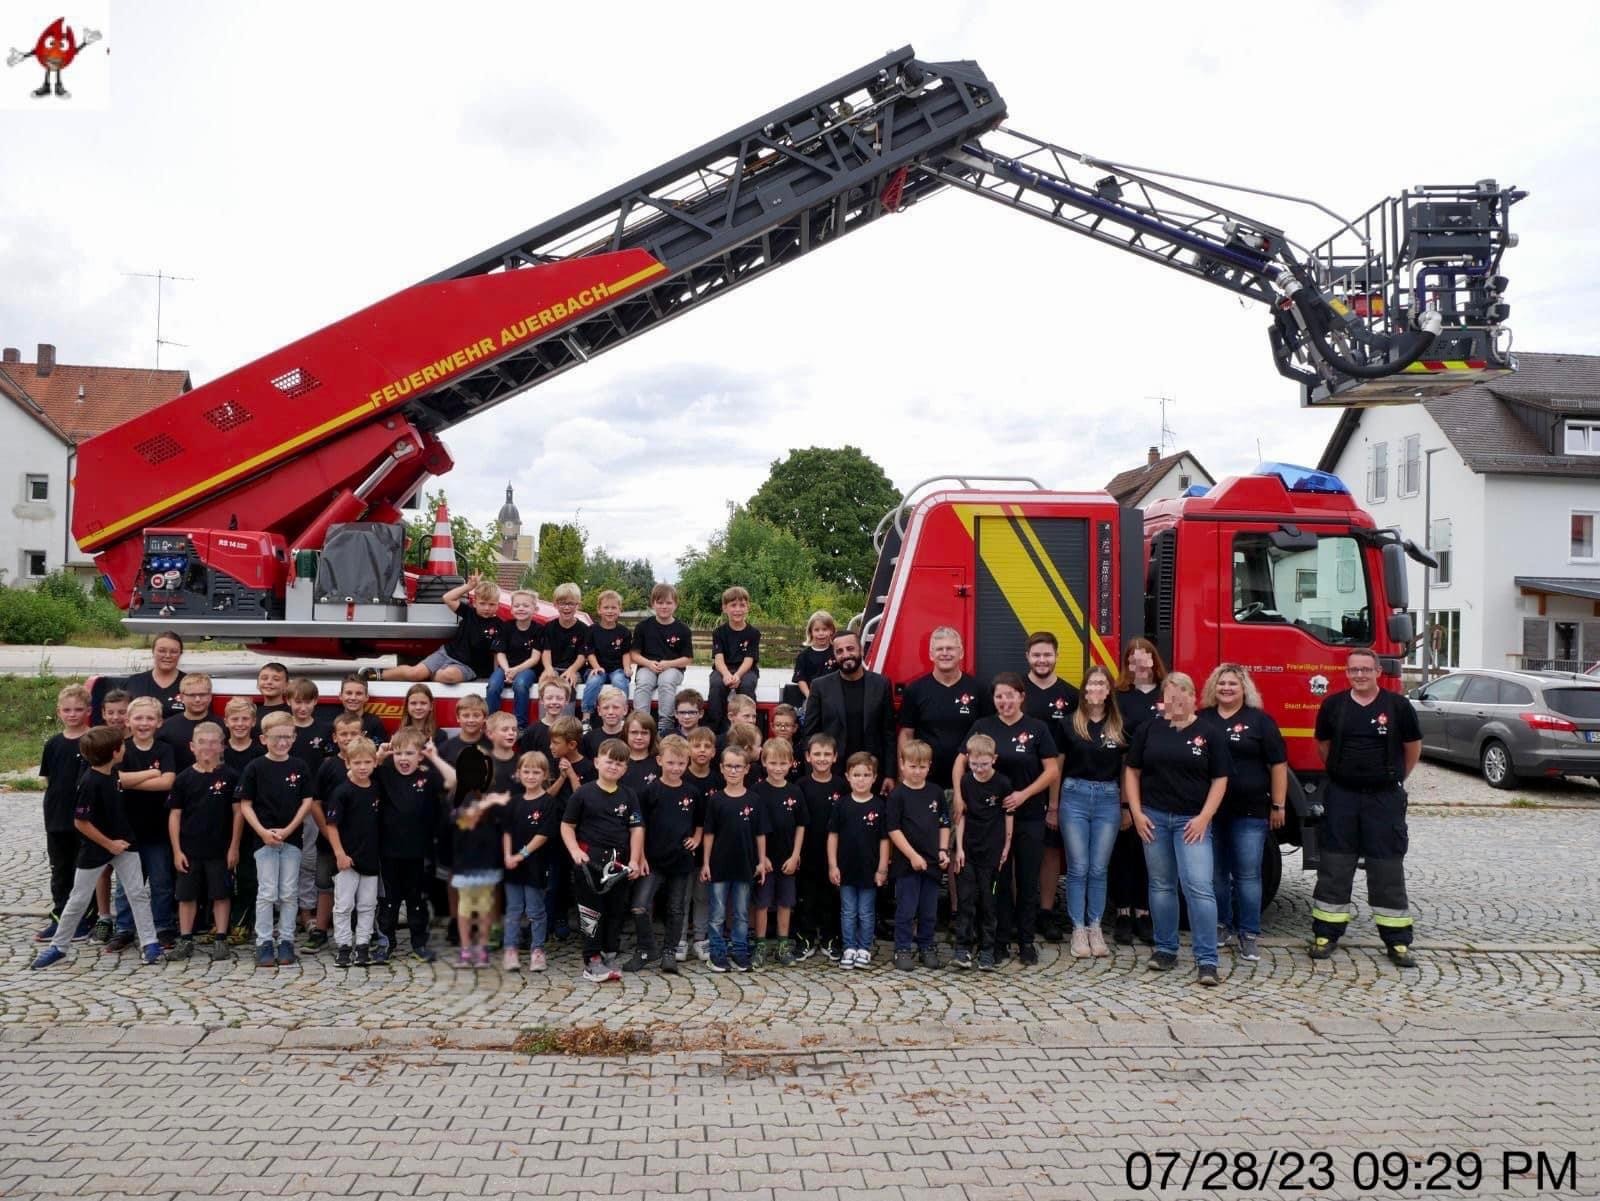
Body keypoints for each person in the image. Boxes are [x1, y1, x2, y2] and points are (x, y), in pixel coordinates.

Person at [1310, 648, 1423, 968]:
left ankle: (1397, 942)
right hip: (1342, 796)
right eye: (1353, 670)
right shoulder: (1333, 705)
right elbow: (1324, 746)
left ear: (1377, 672)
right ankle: (1326, 934)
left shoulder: (1398, 706)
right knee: (1334, 867)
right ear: (1346, 674)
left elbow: (1412, 748)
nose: (1359, 675)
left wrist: (1395, 779)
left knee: (1386, 868)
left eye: (1365, 669)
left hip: (1383, 798)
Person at [1125, 672, 1230, 985]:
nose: (1176, 701)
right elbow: (1132, 772)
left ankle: (1207, 959)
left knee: (1199, 887)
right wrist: (1136, 811)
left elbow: (1220, 779)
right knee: (1160, 886)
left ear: (1193, 696)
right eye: (1170, 696)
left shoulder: (1209, 732)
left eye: (1182, 694)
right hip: (1154, 819)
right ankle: (1166, 949)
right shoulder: (1149, 729)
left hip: (1191, 823)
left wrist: (1204, 818)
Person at [31, 727, 163, 970]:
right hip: (97, 849)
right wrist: (109, 844)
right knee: (78, 898)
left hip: (126, 844)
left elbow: (126, 779)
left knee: (138, 894)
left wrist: (151, 772)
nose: (125, 748)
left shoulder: (111, 773)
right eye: (122, 746)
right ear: (115, 752)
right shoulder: (90, 782)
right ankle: (59, 946)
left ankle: (149, 942)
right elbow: (81, 822)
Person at [951, 673, 1059, 967]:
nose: (1005, 701)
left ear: (1022, 696)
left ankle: (1025, 940)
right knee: (997, 882)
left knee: (1026, 880)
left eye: (1011, 695)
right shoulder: (982, 726)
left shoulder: (1037, 728)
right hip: (992, 824)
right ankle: (999, 941)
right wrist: (960, 795)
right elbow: (960, 760)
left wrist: (1024, 795)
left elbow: (1051, 771)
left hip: (1029, 816)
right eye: (999, 696)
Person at [1200, 663, 1287, 963]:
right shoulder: (1202, 719)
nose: (1226, 688)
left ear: (1244, 688)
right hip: (1210, 813)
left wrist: (1278, 805)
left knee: (1248, 876)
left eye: (1232, 684)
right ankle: (1221, 926)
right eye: (1221, 683)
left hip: (1250, 811)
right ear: (1213, 687)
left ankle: (1249, 934)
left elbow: (1278, 765)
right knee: (1216, 875)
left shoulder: (1260, 721)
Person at [561, 738, 645, 983]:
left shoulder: (629, 795)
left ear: (625, 768)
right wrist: (575, 851)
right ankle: (592, 960)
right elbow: (567, 826)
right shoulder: (583, 794)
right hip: (589, 863)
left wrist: (636, 860)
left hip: (619, 865)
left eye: (620, 763)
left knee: (615, 910)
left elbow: (637, 829)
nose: (613, 767)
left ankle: (609, 952)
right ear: (597, 762)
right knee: (591, 911)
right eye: (609, 761)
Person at [1057, 665, 1126, 959]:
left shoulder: (1119, 726)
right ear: (1084, 690)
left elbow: (1126, 770)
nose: (1096, 689)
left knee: (1099, 868)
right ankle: (1078, 929)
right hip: (1074, 797)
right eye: (1091, 684)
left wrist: (1125, 806)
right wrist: (1052, 804)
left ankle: (1095, 926)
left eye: (1101, 684)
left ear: (1109, 690)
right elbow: (1057, 767)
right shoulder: (1070, 724)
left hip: (1108, 799)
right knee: (1078, 867)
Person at [236, 712, 315, 968]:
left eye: (287, 737)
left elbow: (307, 801)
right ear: (263, 738)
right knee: (267, 891)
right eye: (276, 737)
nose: (282, 742)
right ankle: (264, 941)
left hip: (291, 839)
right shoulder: (255, 767)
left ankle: (287, 940)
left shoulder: (300, 766)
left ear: (294, 737)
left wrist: (290, 828)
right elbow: (245, 805)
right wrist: (262, 832)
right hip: (263, 840)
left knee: (289, 892)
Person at [375, 728, 456, 964]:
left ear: (420, 756)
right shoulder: (385, 774)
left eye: (409, 753)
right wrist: (380, 757)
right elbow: (360, 773)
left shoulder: (427, 777)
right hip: (389, 851)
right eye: (398, 753)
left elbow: (453, 780)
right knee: (388, 901)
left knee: (417, 900)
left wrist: (434, 757)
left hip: (420, 852)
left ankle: (419, 943)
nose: (403, 759)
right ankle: (385, 943)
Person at [166, 722, 241, 962]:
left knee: (221, 894)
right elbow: (175, 815)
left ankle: (221, 938)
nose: (207, 747)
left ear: (222, 746)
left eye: (213, 742)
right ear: (192, 746)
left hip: (220, 848)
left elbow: (238, 813)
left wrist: (234, 846)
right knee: (186, 895)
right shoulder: (183, 779)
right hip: (189, 849)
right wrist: (177, 850)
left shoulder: (231, 776)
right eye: (202, 742)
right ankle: (186, 939)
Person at [108, 697, 178, 951]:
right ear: (128, 721)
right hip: (127, 830)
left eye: (150, 718)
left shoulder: (164, 750)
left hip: (158, 829)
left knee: (160, 883)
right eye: (138, 718)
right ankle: (125, 927)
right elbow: (117, 780)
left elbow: (169, 781)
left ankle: (163, 926)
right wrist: (151, 773)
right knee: (127, 884)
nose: (144, 723)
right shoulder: (121, 748)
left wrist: (133, 781)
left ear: (159, 722)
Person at [629, 734, 701, 974]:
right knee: (640, 906)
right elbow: (639, 826)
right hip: (652, 860)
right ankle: (646, 948)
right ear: (660, 760)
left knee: (676, 908)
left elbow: (701, 822)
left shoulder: (692, 792)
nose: (676, 768)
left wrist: (697, 838)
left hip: (681, 860)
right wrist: (640, 857)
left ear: (687, 763)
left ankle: (669, 951)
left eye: (681, 764)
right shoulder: (650, 792)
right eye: (671, 763)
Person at [1023, 632, 1077, 942]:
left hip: (1058, 785)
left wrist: (1055, 801)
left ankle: (1045, 911)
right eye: (1036, 655)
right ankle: (1021, 909)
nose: (1042, 660)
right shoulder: (1018, 691)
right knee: (1017, 848)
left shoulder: (1070, 695)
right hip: (1021, 784)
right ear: (1027, 657)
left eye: (1047, 655)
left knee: (1050, 849)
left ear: (1056, 656)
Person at [1111, 638, 1165, 946]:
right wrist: (1123, 803)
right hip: (1125, 779)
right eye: (1133, 659)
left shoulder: (1166, 693)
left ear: (1154, 661)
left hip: (1158, 784)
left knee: (1150, 852)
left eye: (1145, 657)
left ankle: (1145, 914)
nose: (1139, 663)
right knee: (1124, 853)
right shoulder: (1120, 696)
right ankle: (1122, 912)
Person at [799, 630, 897, 793]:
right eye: (839, 651)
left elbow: (889, 734)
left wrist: (889, 774)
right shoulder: (820, 686)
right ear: (834, 656)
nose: (846, 654)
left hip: (870, 775)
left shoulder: (881, 684)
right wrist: (813, 775)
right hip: (832, 774)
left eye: (850, 648)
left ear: (861, 650)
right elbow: (810, 735)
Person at [699, 745, 768, 972]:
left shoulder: (755, 800)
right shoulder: (716, 800)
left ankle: (740, 951)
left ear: (747, 769)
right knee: (717, 913)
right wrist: (706, 863)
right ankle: (717, 953)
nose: (733, 771)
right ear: (721, 768)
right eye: (729, 766)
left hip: (745, 865)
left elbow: (760, 834)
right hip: (719, 865)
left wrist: (761, 860)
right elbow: (709, 834)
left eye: (738, 766)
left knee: (740, 913)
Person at [897, 626, 988, 796]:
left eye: (950, 648)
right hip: (925, 781)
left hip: (970, 780)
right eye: (940, 649)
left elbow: (987, 734)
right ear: (931, 654)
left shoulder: (979, 689)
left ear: (961, 653)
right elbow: (906, 734)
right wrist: (904, 774)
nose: (945, 653)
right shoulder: (915, 690)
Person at [886, 739, 950, 971]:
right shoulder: (898, 795)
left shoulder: (936, 792)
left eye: (922, 767)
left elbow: (944, 823)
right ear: (902, 765)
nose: (917, 771)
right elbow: (893, 829)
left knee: (929, 909)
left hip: (932, 861)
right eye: (912, 766)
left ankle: (926, 945)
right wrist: (912, 855)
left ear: (929, 767)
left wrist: (943, 850)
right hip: (907, 863)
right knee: (906, 908)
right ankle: (902, 948)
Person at [950, 733, 1012, 970]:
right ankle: (963, 947)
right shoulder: (966, 782)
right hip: (970, 851)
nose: (980, 769)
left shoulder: (1003, 783)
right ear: (968, 759)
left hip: (992, 851)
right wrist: (960, 848)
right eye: (975, 764)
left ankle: (987, 949)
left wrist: (1006, 846)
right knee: (966, 901)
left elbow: (1008, 816)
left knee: (989, 901)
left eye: (984, 764)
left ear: (994, 759)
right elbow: (961, 817)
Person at [37, 683, 92, 945]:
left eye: (78, 710)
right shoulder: (53, 744)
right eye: (67, 710)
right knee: (60, 870)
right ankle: (59, 917)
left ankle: (84, 918)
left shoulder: (93, 741)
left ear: (88, 711)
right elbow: (49, 779)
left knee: (83, 870)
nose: (72, 714)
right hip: (57, 818)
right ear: (59, 712)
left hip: (85, 819)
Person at [321, 737, 383, 968]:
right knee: (344, 905)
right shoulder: (342, 792)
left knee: (367, 904)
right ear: (348, 763)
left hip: (370, 857)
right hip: (348, 859)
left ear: (375, 763)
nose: (363, 767)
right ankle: (344, 946)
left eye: (368, 762)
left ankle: (363, 944)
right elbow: (332, 825)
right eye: (357, 762)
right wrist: (339, 854)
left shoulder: (376, 788)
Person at [378, 574, 503, 685]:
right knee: (414, 673)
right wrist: (469, 587)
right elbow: (447, 598)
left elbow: (498, 653)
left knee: (448, 676)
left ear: (498, 604)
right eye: (482, 603)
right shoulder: (469, 612)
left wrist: (496, 677)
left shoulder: (500, 626)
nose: (487, 608)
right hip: (446, 653)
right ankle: (377, 674)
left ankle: (427, 675)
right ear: (475, 603)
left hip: (468, 666)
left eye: (491, 604)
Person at [828, 751, 888, 969]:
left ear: (874, 778)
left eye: (866, 775)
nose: (861, 779)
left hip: (869, 869)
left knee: (866, 911)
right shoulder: (841, 805)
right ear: (848, 777)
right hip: (846, 868)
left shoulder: (880, 806)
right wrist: (833, 865)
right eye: (857, 775)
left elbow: (884, 840)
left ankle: (864, 948)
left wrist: (882, 868)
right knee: (848, 910)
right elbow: (833, 836)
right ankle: (849, 947)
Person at [501, 751, 559, 972]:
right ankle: (511, 950)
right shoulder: (514, 802)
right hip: (512, 866)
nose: (531, 776)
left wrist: (521, 854)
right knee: (513, 909)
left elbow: (543, 834)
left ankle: (537, 950)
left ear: (545, 775)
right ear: (519, 773)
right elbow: (506, 831)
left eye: (536, 772)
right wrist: (508, 855)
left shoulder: (547, 803)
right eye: (526, 771)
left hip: (536, 865)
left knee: (535, 910)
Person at [750, 737, 805, 966]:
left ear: (791, 764)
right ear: (764, 762)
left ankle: (783, 945)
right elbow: (752, 827)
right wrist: (762, 857)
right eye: (773, 763)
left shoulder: (795, 791)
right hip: (765, 860)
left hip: (787, 859)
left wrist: (795, 855)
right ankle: (760, 945)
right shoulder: (757, 791)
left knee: (785, 902)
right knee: (762, 903)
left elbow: (802, 825)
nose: (778, 768)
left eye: (783, 763)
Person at [449, 780, 510, 969]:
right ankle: (466, 949)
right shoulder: (458, 796)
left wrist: (493, 802)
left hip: (487, 864)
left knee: (485, 908)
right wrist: (487, 803)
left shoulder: (494, 794)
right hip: (464, 865)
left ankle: (482, 948)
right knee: (464, 909)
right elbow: (464, 819)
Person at [795, 733, 844, 961]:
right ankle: (804, 938)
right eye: (817, 754)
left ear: (835, 757)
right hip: (807, 851)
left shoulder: (842, 786)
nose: (822, 759)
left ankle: (830, 938)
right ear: (807, 757)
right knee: (806, 896)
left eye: (827, 754)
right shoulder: (801, 786)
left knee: (830, 897)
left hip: (834, 853)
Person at [631, 583, 694, 733]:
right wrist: (648, 663)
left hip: (673, 668)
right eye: (660, 603)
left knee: (665, 682)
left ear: (675, 604)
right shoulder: (643, 627)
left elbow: (687, 658)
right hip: (647, 666)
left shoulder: (683, 629)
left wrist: (668, 664)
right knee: (644, 682)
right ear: (653, 604)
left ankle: (665, 726)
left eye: (668, 603)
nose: (664, 606)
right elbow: (634, 654)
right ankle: (641, 723)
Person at [486, 589, 542, 727]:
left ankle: (520, 725)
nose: (521, 608)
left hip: (527, 668)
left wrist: (515, 671)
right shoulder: (506, 627)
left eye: (525, 605)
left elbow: (535, 658)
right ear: (511, 609)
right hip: (506, 666)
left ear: (535, 609)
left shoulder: (539, 630)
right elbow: (500, 652)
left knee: (521, 685)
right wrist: (507, 670)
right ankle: (492, 723)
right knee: (493, 686)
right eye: (517, 606)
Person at [708, 586, 761, 731]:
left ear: (748, 607)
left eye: (742, 605)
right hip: (724, 668)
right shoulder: (719, 632)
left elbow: (749, 659)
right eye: (733, 605)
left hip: (745, 669)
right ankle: (716, 728)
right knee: (717, 684)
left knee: (747, 684)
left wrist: (737, 675)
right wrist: (726, 675)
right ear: (725, 608)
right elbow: (718, 659)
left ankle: (748, 726)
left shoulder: (753, 633)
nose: (737, 609)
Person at [583, 590, 633, 721]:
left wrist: (627, 668)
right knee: (593, 681)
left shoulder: (624, 632)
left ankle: (622, 716)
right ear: (599, 610)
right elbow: (589, 652)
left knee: (619, 681)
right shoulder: (592, 630)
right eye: (606, 607)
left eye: (613, 607)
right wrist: (596, 667)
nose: (610, 611)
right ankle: (586, 715)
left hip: (617, 669)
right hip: (597, 667)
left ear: (619, 610)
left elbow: (626, 653)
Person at [541, 582, 593, 697]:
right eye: (562, 603)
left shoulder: (584, 629)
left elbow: (582, 655)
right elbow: (546, 651)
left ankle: (567, 715)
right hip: (553, 667)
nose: (566, 607)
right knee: (547, 683)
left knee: (568, 683)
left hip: (574, 669)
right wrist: (548, 669)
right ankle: (546, 715)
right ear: (555, 605)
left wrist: (572, 670)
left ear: (578, 605)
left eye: (571, 604)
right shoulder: (549, 627)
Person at [158, 673, 217, 773]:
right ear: (181, 697)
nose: (197, 699)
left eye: (202, 694)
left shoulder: (222, 727)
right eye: (192, 695)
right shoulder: (167, 728)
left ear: (210, 696)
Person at [122, 631, 186, 717]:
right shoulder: (135, 682)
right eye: (162, 651)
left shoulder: (190, 683)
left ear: (180, 654)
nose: (167, 655)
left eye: (174, 652)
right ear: (153, 652)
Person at [790, 610, 837, 714]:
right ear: (810, 632)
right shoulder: (803, 656)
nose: (821, 633)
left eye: (824, 629)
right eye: (817, 630)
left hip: (834, 697)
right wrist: (810, 696)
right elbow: (800, 679)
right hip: (812, 696)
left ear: (831, 631)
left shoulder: (837, 653)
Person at [336, 674, 389, 744]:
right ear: (340, 696)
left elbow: (380, 751)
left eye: (359, 693)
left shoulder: (375, 723)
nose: (353, 698)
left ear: (366, 697)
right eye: (349, 693)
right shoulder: (334, 722)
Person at [581, 686, 629, 759]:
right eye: (606, 708)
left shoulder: (630, 738)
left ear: (625, 710)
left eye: (616, 707)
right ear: (599, 711)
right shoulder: (588, 739)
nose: (610, 712)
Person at [440, 694, 489, 763]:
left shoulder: (494, 746)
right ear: (458, 718)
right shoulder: (445, 749)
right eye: (466, 716)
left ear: (485, 718)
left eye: (476, 715)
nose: (471, 720)